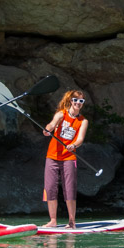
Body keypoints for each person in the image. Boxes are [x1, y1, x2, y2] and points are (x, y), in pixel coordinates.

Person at [42, 90, 89, 229]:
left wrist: (73, 145)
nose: (78, 103)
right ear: (70, 101)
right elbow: (51, 125)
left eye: (81, 101)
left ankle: (72, 222)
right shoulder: (61, 114)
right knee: (50, 188)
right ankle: (53, 221)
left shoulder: (83, 121)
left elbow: (80, 139)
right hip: (52, 157)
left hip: (69, 157)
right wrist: (47, 130)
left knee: (69, 189)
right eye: (76, 100)